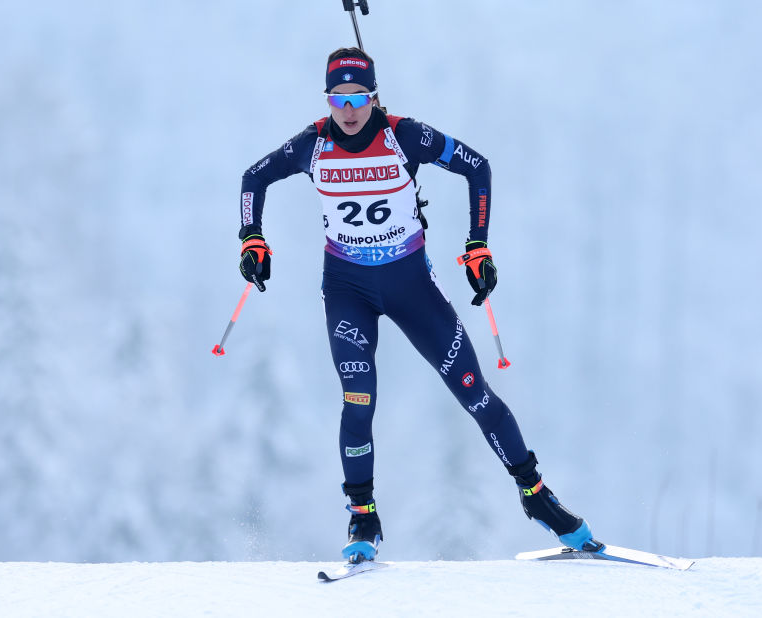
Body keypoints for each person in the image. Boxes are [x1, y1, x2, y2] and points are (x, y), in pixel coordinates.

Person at [237, 47, 594, 563]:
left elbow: (478, 168)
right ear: (327, 99)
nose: (349, 109)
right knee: (359, 400)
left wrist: (478, 245)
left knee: (475, 395)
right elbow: (254, 177)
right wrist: (252, 238)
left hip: (412, 288)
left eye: (358, 97)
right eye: (338, 98)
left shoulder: (406, 136)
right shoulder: (311, 145)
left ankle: (537, 497)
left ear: (374, 95)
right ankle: (363, 517)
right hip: (348, 290)